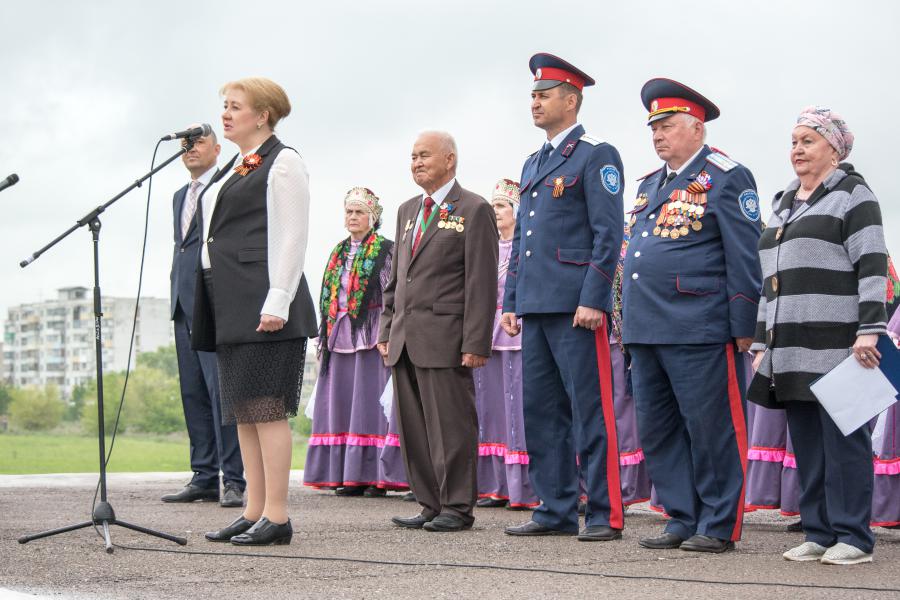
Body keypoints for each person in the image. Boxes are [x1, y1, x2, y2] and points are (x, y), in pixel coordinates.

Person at [622, 78, 762, 553]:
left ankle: (719, 522)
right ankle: (682, 516)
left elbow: (745, 255)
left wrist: (746, 326)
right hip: (647, 328)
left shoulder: (727, 176)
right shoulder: (648, 184)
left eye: (667, 126)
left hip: (698, 325)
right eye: (654, 128)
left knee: (710, 428)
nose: (658, 135)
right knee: (660, 429)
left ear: (696, 130)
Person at [748, 106, 888, 564]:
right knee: (807, 443)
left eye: (808, 140)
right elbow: (770, 281)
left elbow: (872, 265)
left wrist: (870, 330)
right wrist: (761, 342)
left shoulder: (853, 194)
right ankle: (819, 530)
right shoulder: (784, 204)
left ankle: (854, 537)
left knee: (843, 441)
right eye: (793, 141)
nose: (797, 150)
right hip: (789, 345)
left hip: (838, 343)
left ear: (834, 148)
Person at [501, 53, 625, 542]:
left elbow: (607, 233)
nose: (535, 101)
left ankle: (603, 513)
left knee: (589, 409)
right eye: (533, 94)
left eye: (544, 94)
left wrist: (594, 297)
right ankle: (554, 507)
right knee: (543, 412)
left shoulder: (596, 154)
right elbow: (524, 243)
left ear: (571, 101)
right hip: (536, 304)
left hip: (577, 308)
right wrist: (512, 299)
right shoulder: (535, 162)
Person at [195, 77, 317, 546]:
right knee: (243, 412)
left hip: (265, 302)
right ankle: (253, 510)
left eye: (235, 107)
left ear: (262, 114)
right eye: (223, 105)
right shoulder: (237, 165)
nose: (225, 114)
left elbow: (292, 235)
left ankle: (278, 516)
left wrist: (279, 297)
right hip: (230, 300)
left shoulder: (283, 162)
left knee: (267, 409)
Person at [378, 131, 498, 533]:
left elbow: (481, 282)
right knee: (414, 428)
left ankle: (458, 506)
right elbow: (397, 277)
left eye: (424, 155)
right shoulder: (407, 209)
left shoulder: (474, 208)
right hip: (405, 337)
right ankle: (429, 502)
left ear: (450, 159)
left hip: (447, 337)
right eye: (412, 156)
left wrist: (476, 341)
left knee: (452, 426)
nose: (416, 162)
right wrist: (386, 327)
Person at [303, 187, 406, 496]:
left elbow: (393, 295)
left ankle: (376, 476)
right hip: (339, 334)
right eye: (349, 211)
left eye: (359, 211)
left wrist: (388, 333)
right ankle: (346, 475)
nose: (352, 216)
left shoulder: (385, 250)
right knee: (340, 403)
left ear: (372, 218)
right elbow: (329, 298)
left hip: (371, 333)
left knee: (369, 405)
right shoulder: (337, 252)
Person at [162, 127, 244, 507]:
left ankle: (235, 479)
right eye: (185, 145)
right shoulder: (181, 195)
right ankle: (204, 475)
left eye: (196, 142)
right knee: (193, 392)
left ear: (216, 147)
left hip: (214, 303)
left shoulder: (227, 185)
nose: (189, 149)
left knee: (220, 391)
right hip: (183, 303)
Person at [474, 179, 539, 510]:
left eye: (501, 205)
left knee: (520, 408)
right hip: (489, 334)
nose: (496, 211)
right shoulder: (485, 247)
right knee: (491, 409)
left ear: (517, 211)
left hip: (518, 331)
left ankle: (526, 487)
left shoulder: (526, 247)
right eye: (493, 206)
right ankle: (494, 484)